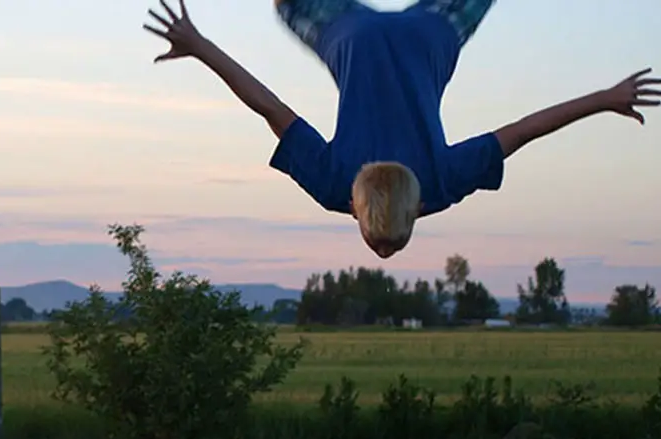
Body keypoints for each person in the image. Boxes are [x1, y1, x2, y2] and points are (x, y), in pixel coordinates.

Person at [143, 0, 660, 258]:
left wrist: (604, 99)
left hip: (430, 36)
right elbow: (268, 107)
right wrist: (199, 45)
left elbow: (524, 130)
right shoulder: (333, 184)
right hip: (352, 38)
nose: (384, 253)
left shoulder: (440, 184)